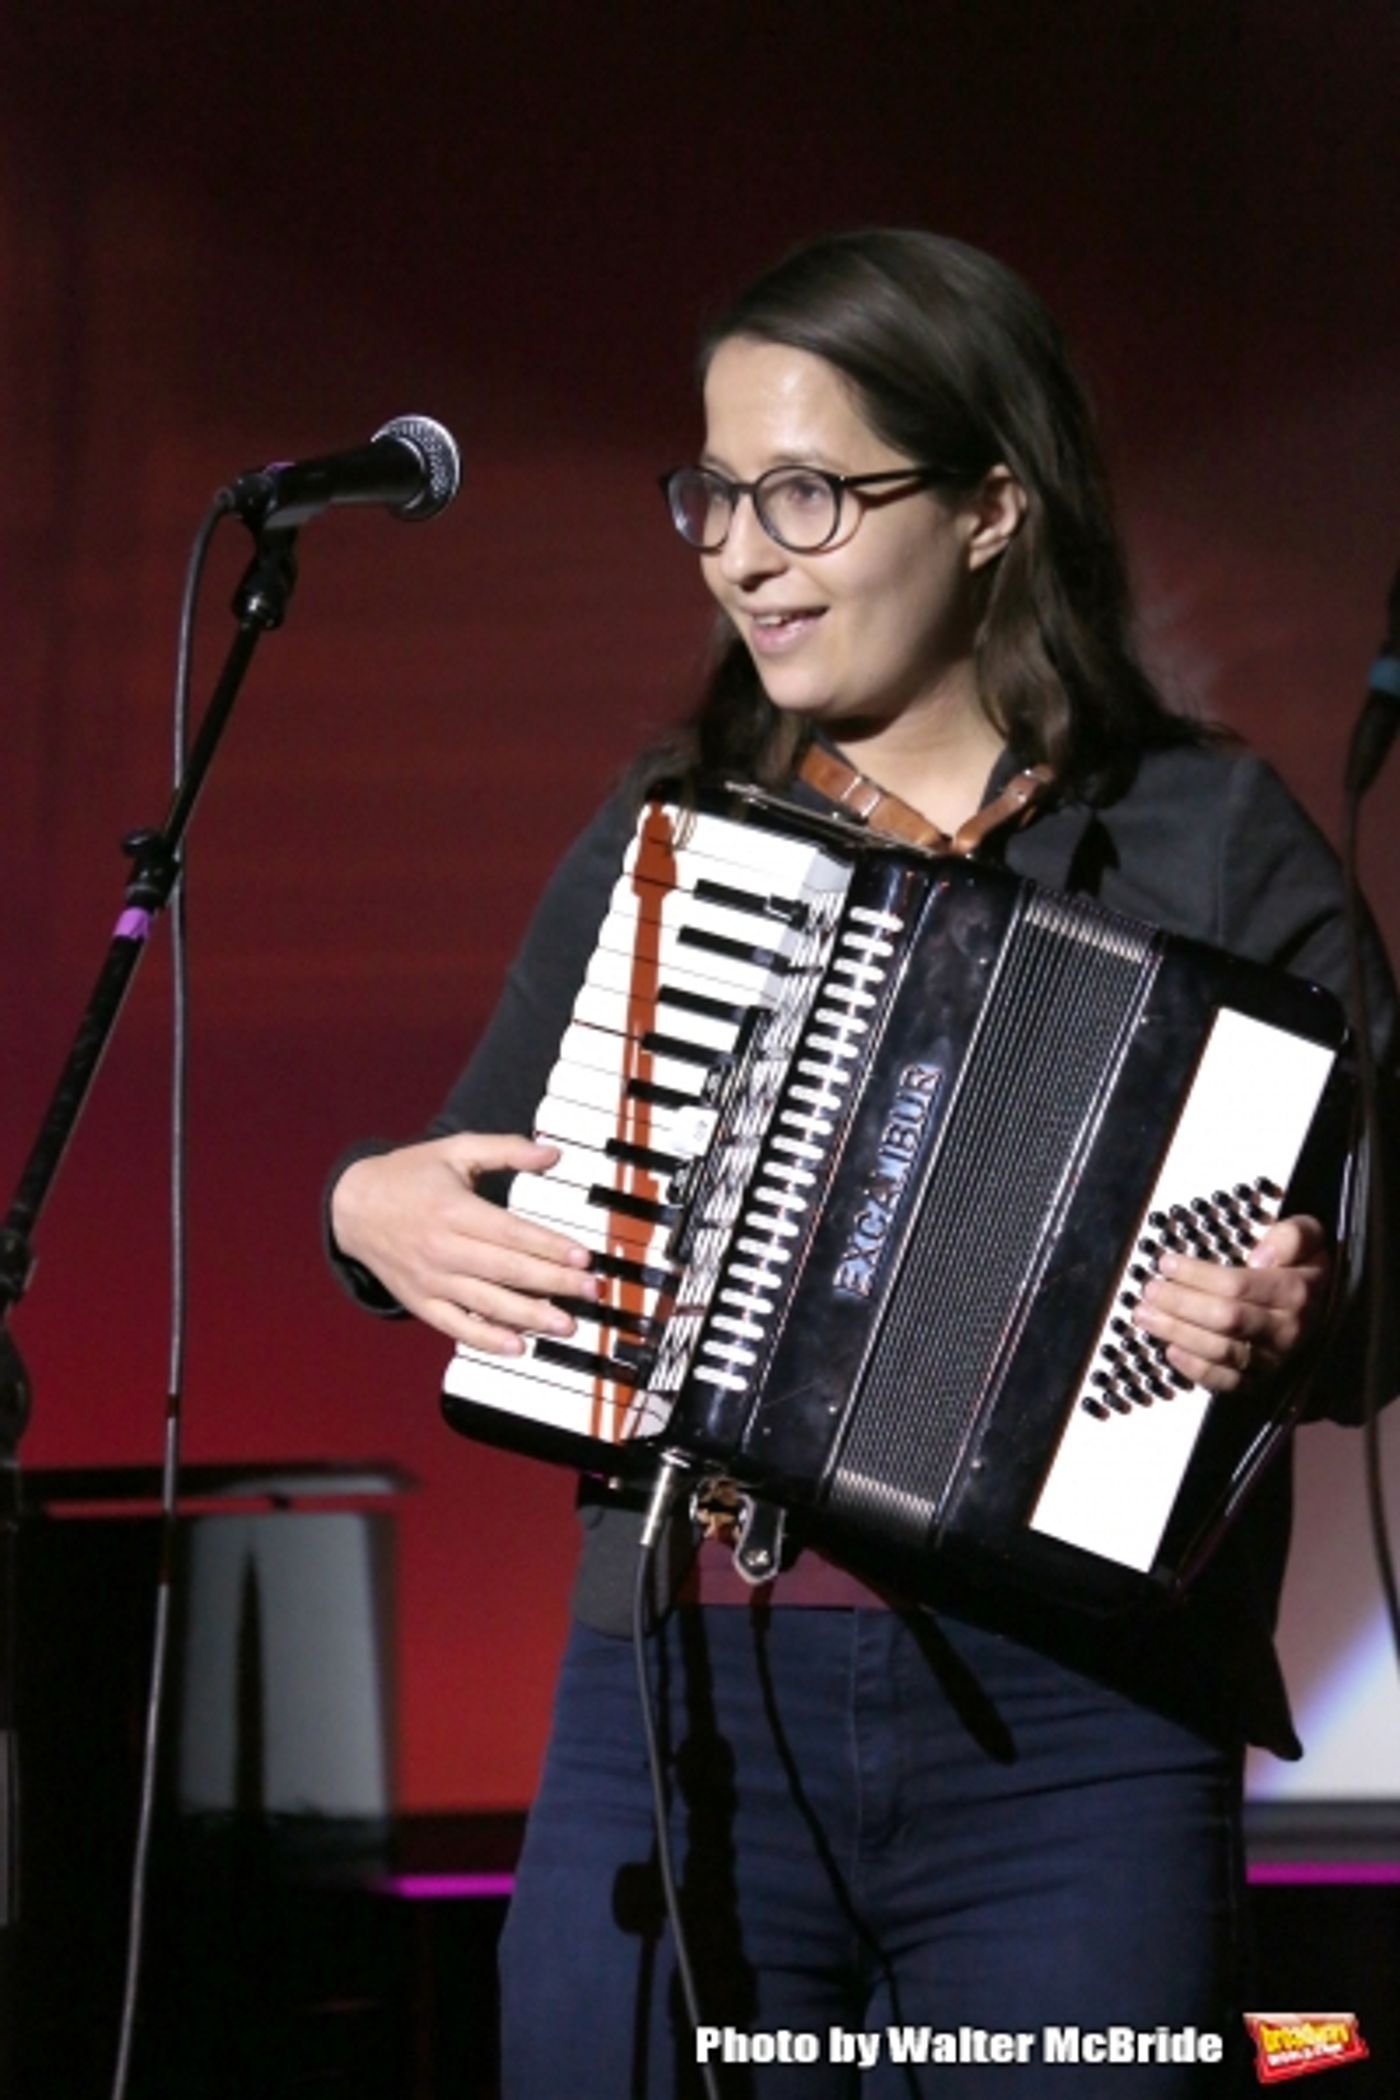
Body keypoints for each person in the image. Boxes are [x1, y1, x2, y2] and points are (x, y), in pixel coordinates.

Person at [327, 230, 1396, 2095]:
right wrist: (368, 1206)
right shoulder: (670, 837)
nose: (744, 549)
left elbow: (1382, 1279)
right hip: (693, 1685)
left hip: (1081, 1736)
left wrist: (1306, 1309)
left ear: (992, 504)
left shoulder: (1213, 836)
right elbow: (466, 1174)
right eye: (718, 494)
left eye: (807, 493)